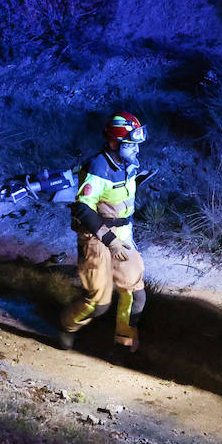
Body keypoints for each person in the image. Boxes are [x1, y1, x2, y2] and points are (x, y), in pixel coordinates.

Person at [59, 112, 149, 361]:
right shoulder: (99, 167)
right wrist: (110, 240)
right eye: (130, 145)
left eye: (136, 145)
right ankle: (67, 326)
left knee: (135, 292)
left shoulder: (128, 164)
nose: (136, 150)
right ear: (113, 143)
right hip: (96, 237)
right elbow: (83, 208)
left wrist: (121, 237)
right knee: (99, 303)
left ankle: (123, 346)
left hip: (121, 234)